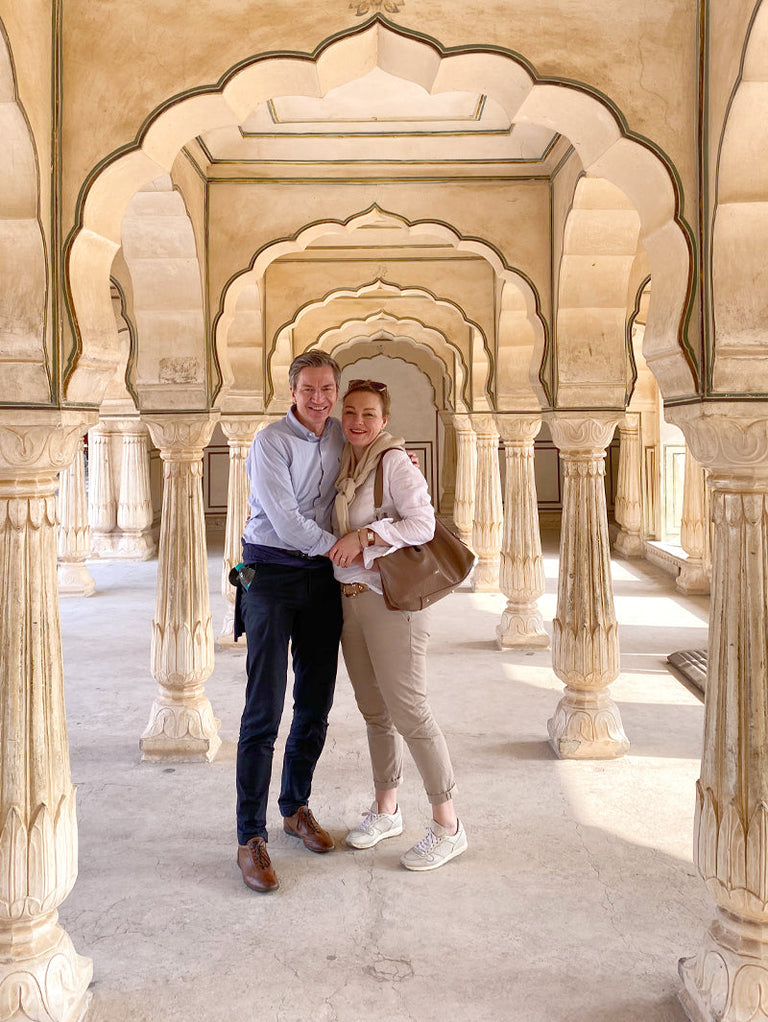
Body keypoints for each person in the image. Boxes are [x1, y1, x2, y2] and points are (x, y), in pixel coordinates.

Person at [328, 379, 468, 871]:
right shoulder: (346, 463)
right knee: (374, 711)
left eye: (368, 414)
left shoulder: (392, 462)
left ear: (385, 420)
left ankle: (448, 824)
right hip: (350, 599)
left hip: (391, 601)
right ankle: (387, 810)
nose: (358, 422)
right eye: (350, 413)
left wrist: (364, 533)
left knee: (410, 710)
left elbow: (423, 524)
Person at [235, 350, 344, 893]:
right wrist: (340, 548)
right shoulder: (269, 442)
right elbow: (284, 519)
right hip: (271, 573)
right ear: (293, 392)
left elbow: (374, 465)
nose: (319, 398)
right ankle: (248, 837)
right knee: (265, 708)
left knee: (316, 703)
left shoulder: (341, 436)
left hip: (321, 580)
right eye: (309, 389)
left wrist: (403, 469)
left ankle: (295, 807)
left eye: (327, 388)